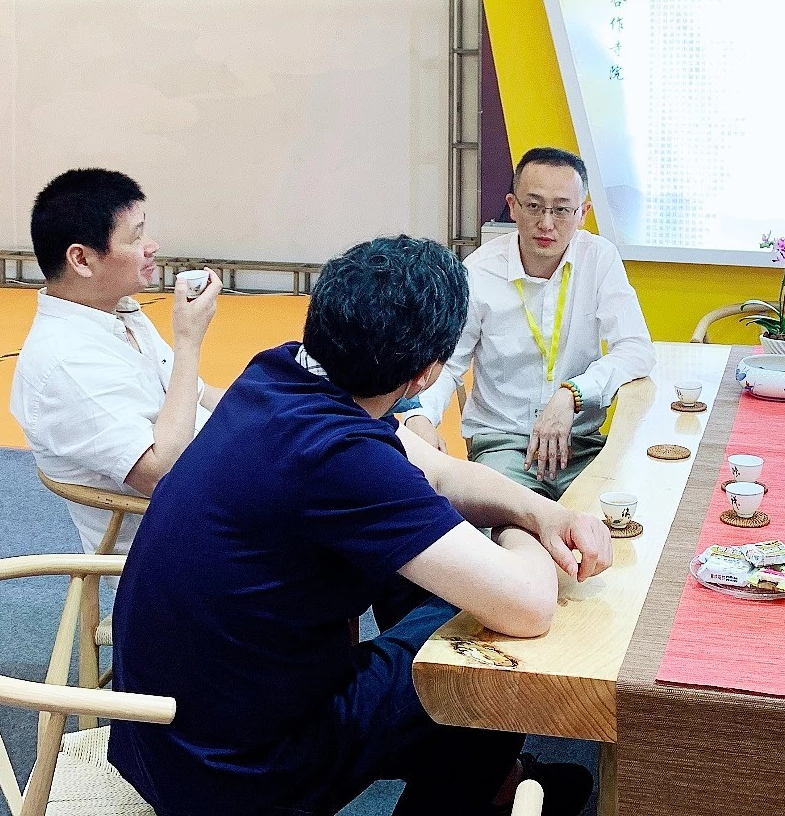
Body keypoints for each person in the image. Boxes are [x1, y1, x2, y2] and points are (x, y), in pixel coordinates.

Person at [108, 235, 609, 816]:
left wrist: (544, 512)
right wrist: (518, 534)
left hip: (168, 734)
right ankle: (477, 783)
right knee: (490, 662)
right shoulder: (341, 456)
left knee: (436, 585)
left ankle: (491, 782)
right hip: (237, 772)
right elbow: (529, 605)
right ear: (426, 376)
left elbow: (438, 473)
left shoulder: (278, 371)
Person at [400, 148, 653, 500]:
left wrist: (573, 394)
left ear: (582, 214)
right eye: (533, 206)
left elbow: (636, 350)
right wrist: (420, 417)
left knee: (623, 513)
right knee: (508, 527)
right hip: (504, 447)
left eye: (561, 210)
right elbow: (447, 364)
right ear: (513, 207)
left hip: (580, 444)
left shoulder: (599, 259)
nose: (546, 224)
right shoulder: (478, 272)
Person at [10, 168, 223, 553]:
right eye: (136, 237)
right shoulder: (66, 364)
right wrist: (188, 341)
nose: (151, 246)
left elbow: (200, 395)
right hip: (182, 549)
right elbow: (162, 475)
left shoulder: (119, 314)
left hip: (214, 502)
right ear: (81, 259)